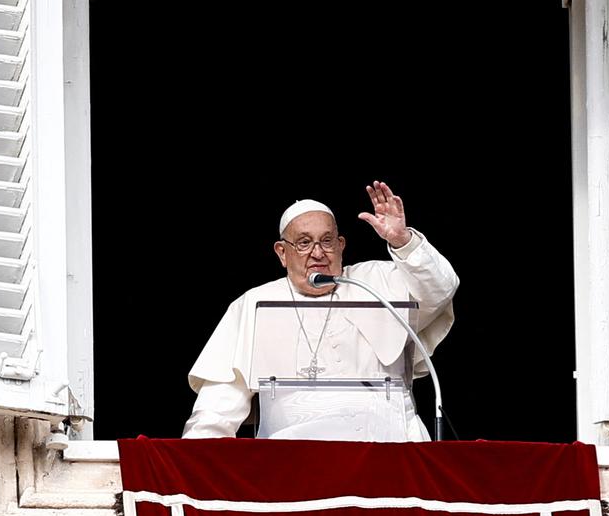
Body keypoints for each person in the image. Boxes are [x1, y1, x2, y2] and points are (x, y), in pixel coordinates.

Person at [182, 181, 460, 440]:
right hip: (296, 458)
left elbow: (440, 288)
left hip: (389, 448)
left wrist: (403, 242)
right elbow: (219, 404)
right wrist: (197, 457)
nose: (317, 253)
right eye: (304, 243)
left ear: (341, 246)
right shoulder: (254, 303)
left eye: (327, 241)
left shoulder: (376, 282)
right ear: (281, 252)